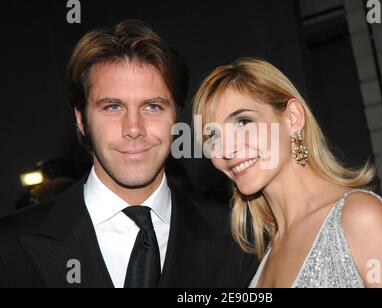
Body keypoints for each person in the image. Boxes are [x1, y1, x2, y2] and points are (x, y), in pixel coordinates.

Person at [0, 20, 257, 288]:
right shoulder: (9, 248)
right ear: (81, 119)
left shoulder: (239, 240)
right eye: (112, 107)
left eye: (153, 107)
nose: (134, 128)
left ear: (176, 117)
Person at [192, 58, 382, 288]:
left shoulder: (359, 218)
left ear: (293, 117)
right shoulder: (265, 252)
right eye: (212, 136)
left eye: (244, 122)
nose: (226, 148)